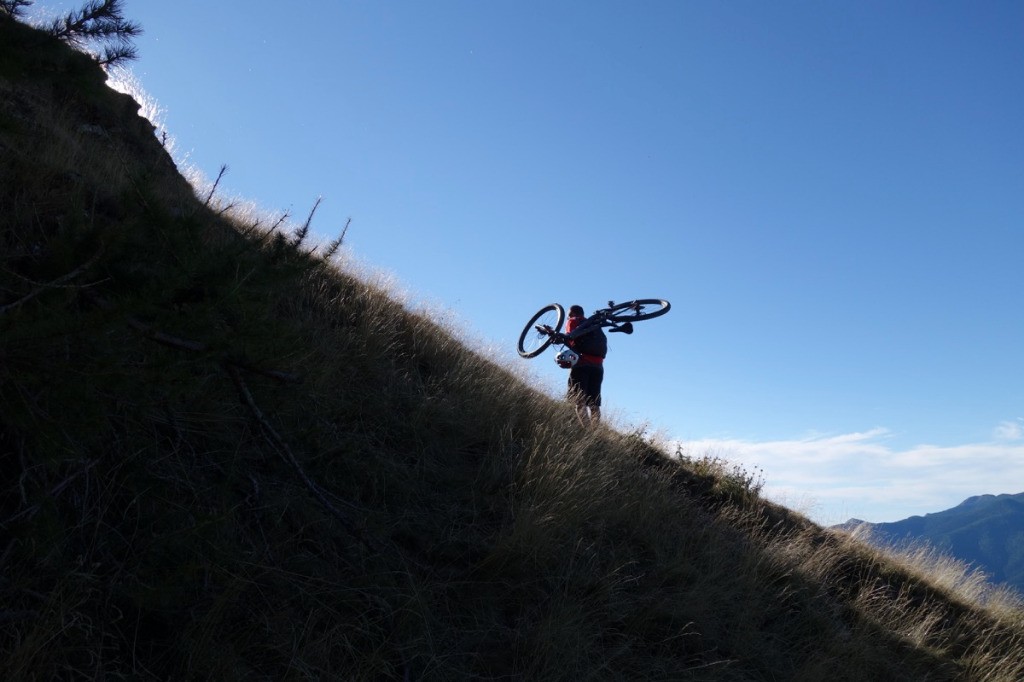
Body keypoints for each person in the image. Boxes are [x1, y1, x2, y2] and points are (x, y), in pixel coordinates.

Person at [562, 304, 606, 426]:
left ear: (572, 314)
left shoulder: (573, 321)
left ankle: (586, 432)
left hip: (581, 364)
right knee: (594, 403)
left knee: (579, 401)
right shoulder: (593, 324)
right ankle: (596, 433)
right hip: (598, 367)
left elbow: (570, 337)